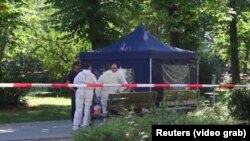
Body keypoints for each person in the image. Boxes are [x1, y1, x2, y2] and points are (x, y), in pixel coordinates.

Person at [72, 63, 97, 130]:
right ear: (89, 67)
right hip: (89, 92)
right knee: (87, 108)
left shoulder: (79, 74)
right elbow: (96, 84)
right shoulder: (92, 75)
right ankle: (85, 124)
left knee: (78, 108)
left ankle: (76, 125)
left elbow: (74, 83)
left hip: (80, 91)